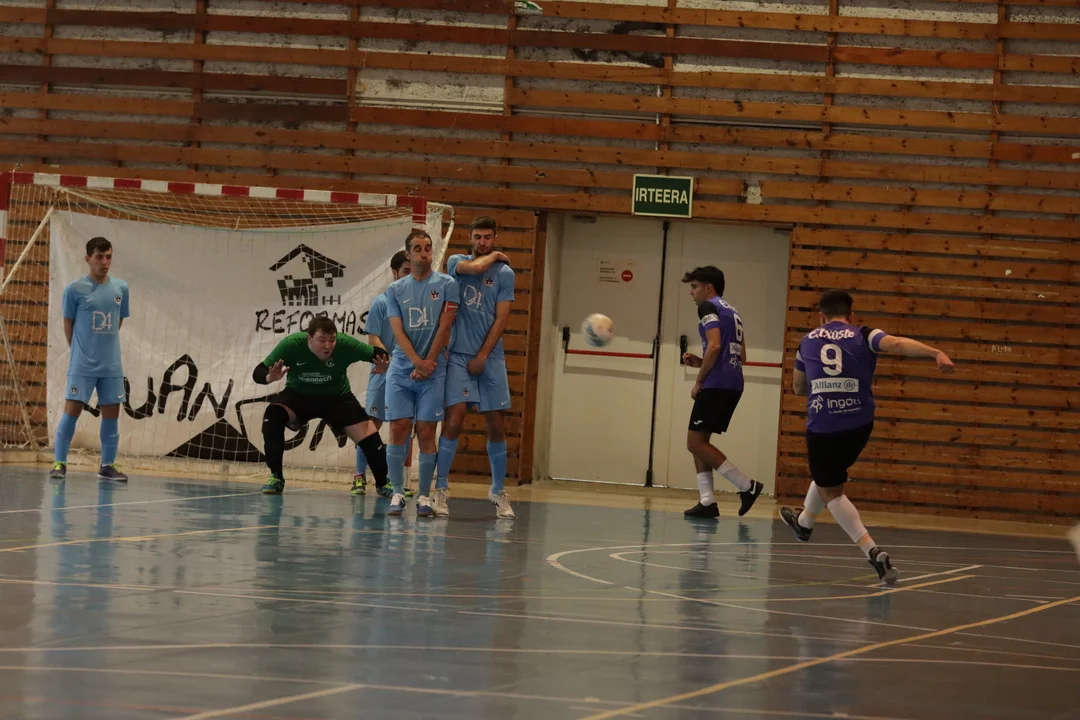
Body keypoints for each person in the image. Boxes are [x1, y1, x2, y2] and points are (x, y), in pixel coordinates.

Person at [779, 289, 955, 584]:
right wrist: (935, 353)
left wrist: (823, 385)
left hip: (824, 424)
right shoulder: (864, 334)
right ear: (850, 315)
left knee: (832, 491)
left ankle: (872, 551)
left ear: (821, 316)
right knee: (829, 474)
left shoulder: (807, 341)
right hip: (860, 423)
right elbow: (896, 344)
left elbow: (798, 387)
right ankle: (803, 523)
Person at [434, 216, 516, 519]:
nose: (483, 242)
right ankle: (441, 488)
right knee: (455, 418)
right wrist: (494, 255)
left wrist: (482, 355)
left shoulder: (505, 274)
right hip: (458, 355)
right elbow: (477, 267)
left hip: (490, 357)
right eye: (478, 237)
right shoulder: (457, 262)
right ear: (470, 238)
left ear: (495, 237)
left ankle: (498, 490)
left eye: (488, 238)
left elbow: (502, 319)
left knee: (496, 422)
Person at [252, 316, 390, 495]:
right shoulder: (292, 344)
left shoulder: (345, 344)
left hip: (337, 397)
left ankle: (382, 484)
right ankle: (276, 478)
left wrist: (384, 366)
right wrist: (270, 377)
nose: (328, 346)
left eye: (332, 340)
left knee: (370, 435)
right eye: (322, 340)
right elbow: (258, 372)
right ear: (309, 338)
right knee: (272, 416)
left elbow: (379, 354)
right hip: (299, 396)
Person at [384, 229, 459, 517]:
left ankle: (425, 496)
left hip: (433, 369)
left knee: (427, 430)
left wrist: (427, 362)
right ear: (408, 254)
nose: (424, 253)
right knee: (398, 427)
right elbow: (397, 331)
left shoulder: (447, 284)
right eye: (418, 249)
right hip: (403, 368)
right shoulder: (395, 290)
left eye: (428, 248)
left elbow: (445, 325)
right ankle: (397, 492)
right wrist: (416, 361)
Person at [680, 266, 764, 519]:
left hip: (717, 383)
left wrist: (699, 381)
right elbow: (742, 355)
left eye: (694, 287)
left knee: (694, 442)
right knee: (700, 443)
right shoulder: (732, 311)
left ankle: (746, 485)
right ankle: (707, 501)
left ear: (709, 287)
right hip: (733, 381)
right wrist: (700, 361)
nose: (691, 293)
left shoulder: (707, 307)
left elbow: (715, 346)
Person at [50, 236, 131, 482]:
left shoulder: (121, 288)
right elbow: (68, 324)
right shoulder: (74, 290)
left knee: (112, 414)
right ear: (88, 259)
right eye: (99, 257)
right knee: (72, 410)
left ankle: (107, 466)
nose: (105, 262)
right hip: (82, 365)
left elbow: (118, 321)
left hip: (111, 366)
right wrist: (79, 351)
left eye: (108, 257)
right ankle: (59, 463)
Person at [354, 250, 414, 498]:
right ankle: (359, 476)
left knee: (404, 425)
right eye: (406, 271)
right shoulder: (381, 302)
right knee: (371, 426)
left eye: (413, 271)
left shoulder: (418, 304)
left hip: (408, 374)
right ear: (395, 273)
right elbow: (373, 339)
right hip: (383, 372)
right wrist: (390, 364)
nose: (409, 275)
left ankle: (395, 482)